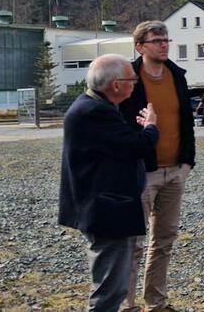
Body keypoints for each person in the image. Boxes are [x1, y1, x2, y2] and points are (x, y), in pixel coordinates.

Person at [59, 54, 158, 312]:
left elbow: (118, 146)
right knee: (110, 289)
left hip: (107, 207)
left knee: (112, 284)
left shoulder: (95, 106)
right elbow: (137, 147)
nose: (135, 83)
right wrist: (151, 127)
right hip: (107, 210)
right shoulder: (93, 112)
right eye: (132, 79)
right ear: (116, 84)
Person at [120, 21, 195, 312]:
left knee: (164, 240)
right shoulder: (128, 78)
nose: (164, 44)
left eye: (166, 40)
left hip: (175, 170)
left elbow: (186, 122)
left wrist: (187, 161)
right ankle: (127, 305)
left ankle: (156, 301)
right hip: (141, 172)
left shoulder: (177, 76)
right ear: (141, 46)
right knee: (133, 243)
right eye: (157, 41)